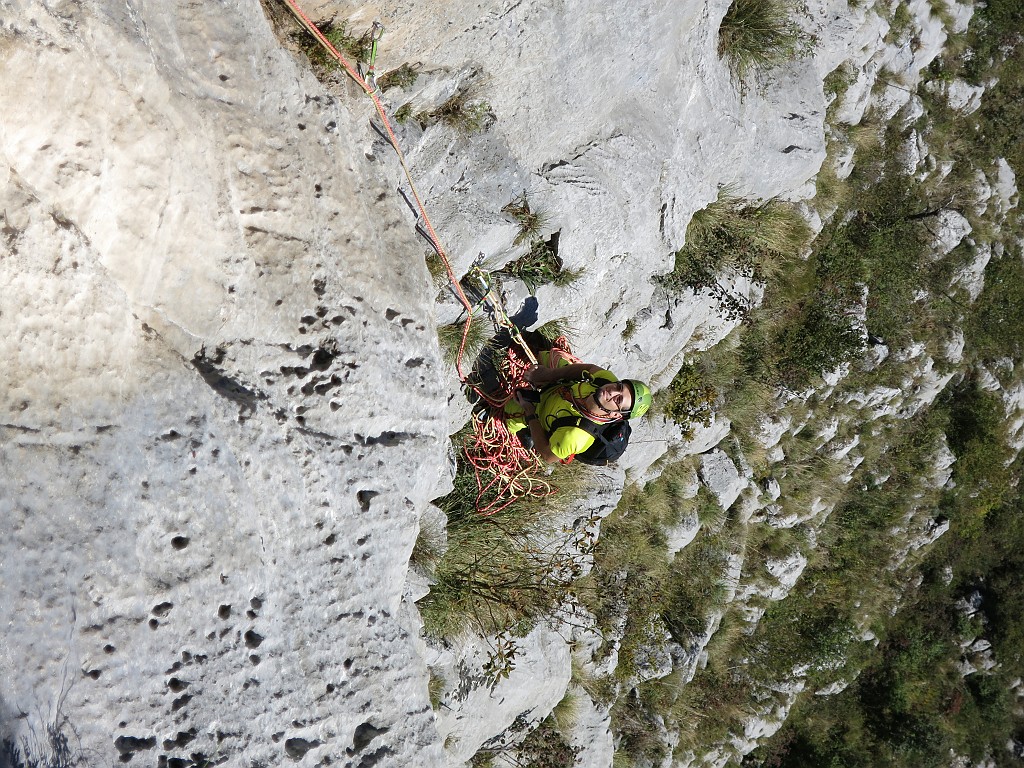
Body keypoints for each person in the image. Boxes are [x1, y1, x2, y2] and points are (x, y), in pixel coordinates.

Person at [503, 355, 652, 464]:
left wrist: (530, 413)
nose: (613, 391)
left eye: (618, 399)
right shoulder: (606, 380)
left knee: (508, 410)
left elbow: (547, 456)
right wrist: (548, 375)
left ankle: (523, 431)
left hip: (538, 412)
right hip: (557, 386)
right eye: (619, 387)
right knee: (551, 355)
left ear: (616, 414)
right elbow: (588, 368)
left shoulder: (576, 435)